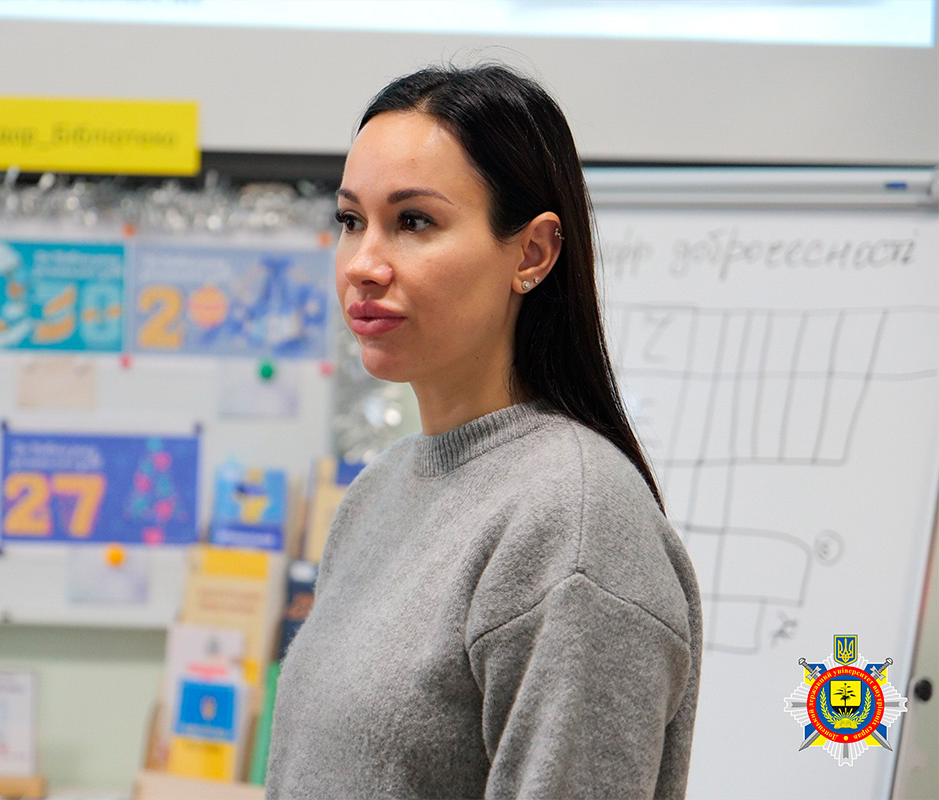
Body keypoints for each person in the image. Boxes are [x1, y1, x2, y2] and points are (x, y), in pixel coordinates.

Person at [266, 64, 702, 800]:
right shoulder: (377, 494)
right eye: (350, 221)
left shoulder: (575, 523)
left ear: (532, 253)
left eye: (413, 222)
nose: (363, 265)